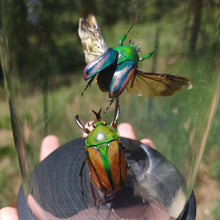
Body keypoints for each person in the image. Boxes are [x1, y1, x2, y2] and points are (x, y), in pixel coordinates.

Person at [0, 123, 171, 220]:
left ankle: (98, 198)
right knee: (125, 166)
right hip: (120, 182)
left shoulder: (89, 149)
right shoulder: (117, 142)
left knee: (91, 175)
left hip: (103, 187)